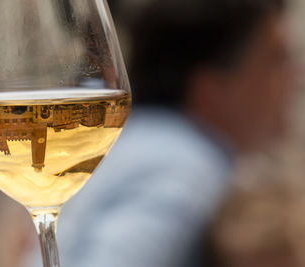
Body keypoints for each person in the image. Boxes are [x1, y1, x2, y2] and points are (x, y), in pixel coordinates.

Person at [43, 0, 294, 267]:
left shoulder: (144, 142)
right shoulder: (181, 164)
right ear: (210, 87)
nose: (296, 77)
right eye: (276, 60)